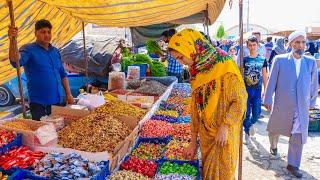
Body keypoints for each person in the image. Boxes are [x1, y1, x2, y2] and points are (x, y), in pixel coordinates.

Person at [168, 29, 247, 179]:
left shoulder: (224, 64)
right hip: (206, 136)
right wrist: (193, 141)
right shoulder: (196, 69)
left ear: (191, 48)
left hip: (223, 135)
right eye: (177, 59)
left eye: (180, 57)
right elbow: (195, 106)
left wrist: (225, 126)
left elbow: (240, 99)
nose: (181, 62)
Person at [264, 31, 318, 178]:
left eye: (303, 42)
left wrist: (312, 102)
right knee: (274, 129)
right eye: (297, 42)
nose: (300, 45)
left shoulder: (311, 61)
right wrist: (268, 98)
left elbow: (313, 84)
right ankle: (273, 146)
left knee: (298, 135)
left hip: (302, 106)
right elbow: (272, 80)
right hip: (283, 104)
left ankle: (293, 164)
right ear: (290, 44)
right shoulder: (279, 60)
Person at [8, 19, 74, 120]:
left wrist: (69, 94)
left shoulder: (55, 51)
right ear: (35, 33)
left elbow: (62, 74)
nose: (46, 35)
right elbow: (15, 61)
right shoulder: (28, 49)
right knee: (42, 133)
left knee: (59, 131)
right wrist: (12, 40)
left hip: (58, 102)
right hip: (39, 105)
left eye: (48, 32)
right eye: (43, 32)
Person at [243, 36, 268, 143]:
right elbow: (240, 75)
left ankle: (249, 125)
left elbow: (265, 76)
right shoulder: (244, 59)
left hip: (257, 91)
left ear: (258, 45)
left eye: (254, 45)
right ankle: (247, 129)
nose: (252, 47)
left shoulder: (263, 59)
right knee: (246, 113)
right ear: (247, 46)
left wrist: (266, 91)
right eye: (250, 45)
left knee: (257, 113)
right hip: (246, 90)